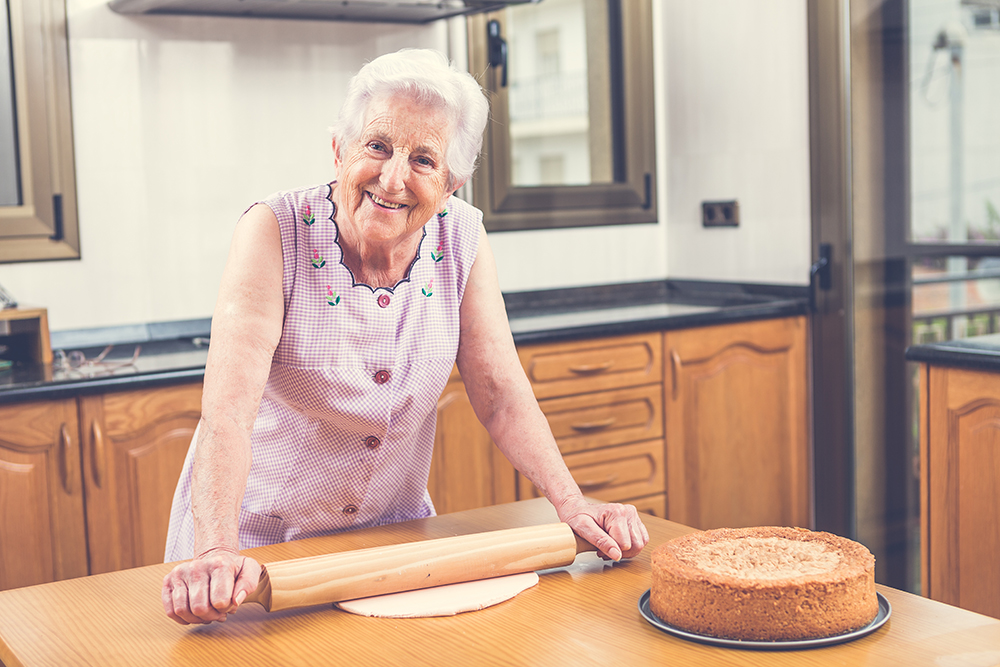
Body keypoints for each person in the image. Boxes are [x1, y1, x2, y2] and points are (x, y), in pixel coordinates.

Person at [161, 48, 649, 626]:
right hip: (256, 557)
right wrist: (216, 551)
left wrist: (572, 503)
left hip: (391, 545)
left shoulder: (461, 236)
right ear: (340, 150)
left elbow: (499, 391)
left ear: (451, 183)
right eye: (377, 146)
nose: (393, 178)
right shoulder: (273, 230)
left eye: (423, 158)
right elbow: (227, 414)